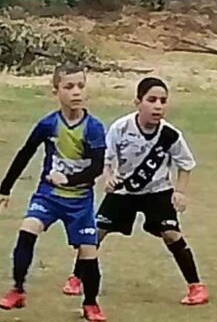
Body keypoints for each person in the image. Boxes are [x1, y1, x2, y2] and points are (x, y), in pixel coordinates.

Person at [61, 77, 209, 306]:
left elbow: (185, 164)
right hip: (123, 192)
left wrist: (180, 192)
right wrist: (109, 177)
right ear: (138, 102)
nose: (158, 106)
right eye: (152, 100)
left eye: (163, 101)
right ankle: (76, 277)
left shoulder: (170, 135)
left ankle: (196, 286)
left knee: (171, 234)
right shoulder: (121, 128)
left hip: (158, 192)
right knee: (95, 233)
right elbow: (106, 158)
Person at [0, 63, 108, 321]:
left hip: (80, 201)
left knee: (88, 252)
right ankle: (17, 290)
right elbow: (25, 153)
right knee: (27, 230)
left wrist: (68, 179)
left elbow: (97, 167)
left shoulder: (93, 128)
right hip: (49, 195)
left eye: (81, 86)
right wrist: (5, 188)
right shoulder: (48, 124)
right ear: (56, 91)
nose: (76, 92)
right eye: (69, 87)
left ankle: (91, 304)